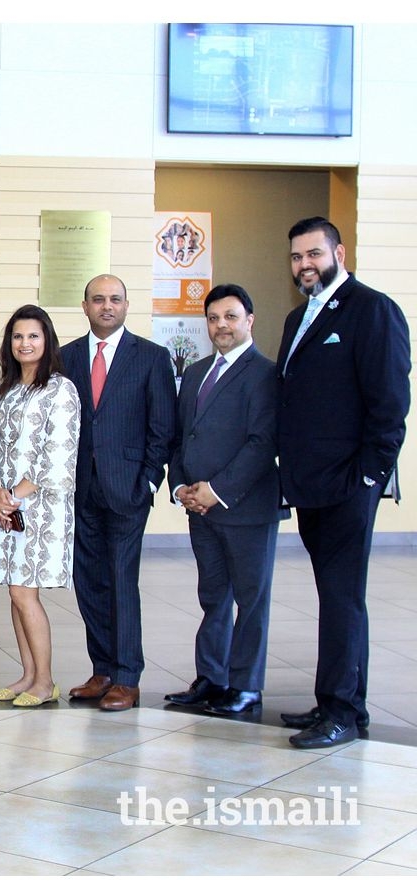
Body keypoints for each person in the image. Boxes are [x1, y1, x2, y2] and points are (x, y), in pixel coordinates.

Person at [276, 216, 410, 749]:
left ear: (338, 251)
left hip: (349, 487)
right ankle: (341, 699)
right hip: (311, 486)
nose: (304, 264)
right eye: (296, 257)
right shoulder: (298, 318)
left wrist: (370, 479)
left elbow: (390, 406)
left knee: (342, 599)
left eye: (313, 254)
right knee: (336, 598)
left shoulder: (372, 309)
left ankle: (341, 714)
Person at [60, 274, 176, 712]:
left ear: (126, 306)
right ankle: (103, 668)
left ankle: (127, 676)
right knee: (88, 579)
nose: (106, 306)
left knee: (122, 580)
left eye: (114, 300)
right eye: (97, 300)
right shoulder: (66, 357)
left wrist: (147, 482)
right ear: (85, 306)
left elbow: (163, 428)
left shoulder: (151, 357)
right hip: (79, 489)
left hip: (127, 489)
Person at [165, 284, 281, 717]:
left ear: (249, 321)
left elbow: (260, 442)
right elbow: (181, 438)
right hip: (200, 509)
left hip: (245, 509)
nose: (221, 326)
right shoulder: (195, 373)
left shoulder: (265, 373)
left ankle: (246, 685)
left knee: (250, 600)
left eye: (230, 317)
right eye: (213, 318)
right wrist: (181, 487)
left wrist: (217, 490)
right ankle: (212, 678)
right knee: (213, 595)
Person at [0, 305, 79, 707]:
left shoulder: (59, 389)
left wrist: (14, 495)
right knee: (14, 593)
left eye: (33, 336)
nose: (25, 343)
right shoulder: (3, 390)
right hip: (6, 509)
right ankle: (27, 675)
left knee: (25, 594)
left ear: (47, 341)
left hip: (39, 509)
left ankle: (46, 682)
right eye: (18, 337)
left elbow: (56, 455)